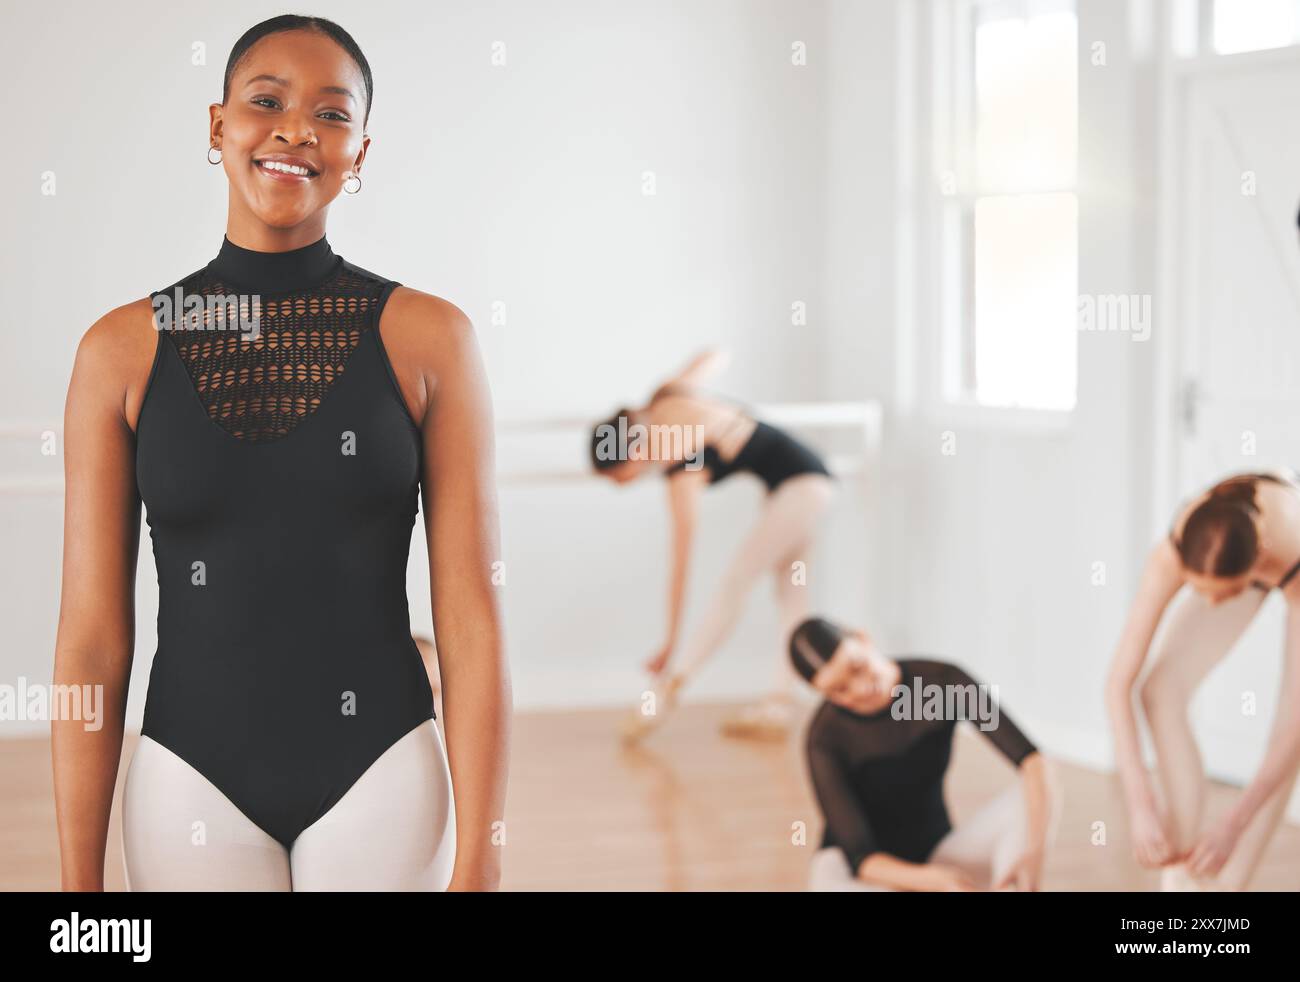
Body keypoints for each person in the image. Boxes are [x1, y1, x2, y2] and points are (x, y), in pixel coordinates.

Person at [51, 15, 509, 891]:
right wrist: (77, 887)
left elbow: (473, 624)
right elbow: (91, 642)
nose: (298, 129)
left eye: (332, 115)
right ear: (218, 125)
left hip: (382, 774)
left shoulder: (429, 340)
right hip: (189, 780)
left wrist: (483, 861)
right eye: (268, 102)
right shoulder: (120, 350)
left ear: (361, 152)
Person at [591, 349, 836, 743]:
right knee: (791, 596)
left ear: (631, 453)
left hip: (803, 488)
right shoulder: (665, 397)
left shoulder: (678, 464)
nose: (626, 483)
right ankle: (777, 705)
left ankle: (668, 689)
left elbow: (681, 562)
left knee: (736, 582)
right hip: (801, 484)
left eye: (622, 476)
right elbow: (717, 353)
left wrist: (670, 643)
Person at [1105, 468, 1300, 890]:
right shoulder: (1174, 550)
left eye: (1225, 594)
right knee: (1158, 692)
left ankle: (1229, 884)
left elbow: (1294, 727)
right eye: (1199, 590)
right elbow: (1118, 684)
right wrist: (1139, 806)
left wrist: (1233, 824)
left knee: (1290, 735)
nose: (1211, 606)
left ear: (1257, 563)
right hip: (1243, 541)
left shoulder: (1289, 550)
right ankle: (1182, 863)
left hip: (1291, 555)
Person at [789, 617, 1057, 891]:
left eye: (857, 667)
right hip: (864, 873)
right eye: (838, 690)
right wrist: (935, 881)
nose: (859, 689)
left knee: (1031, 797)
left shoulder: (943, 683)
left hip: (939, 854)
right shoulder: (824, 737)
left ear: (863, 638)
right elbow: (861, 857)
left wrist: (1033, 853)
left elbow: (1032, 761)